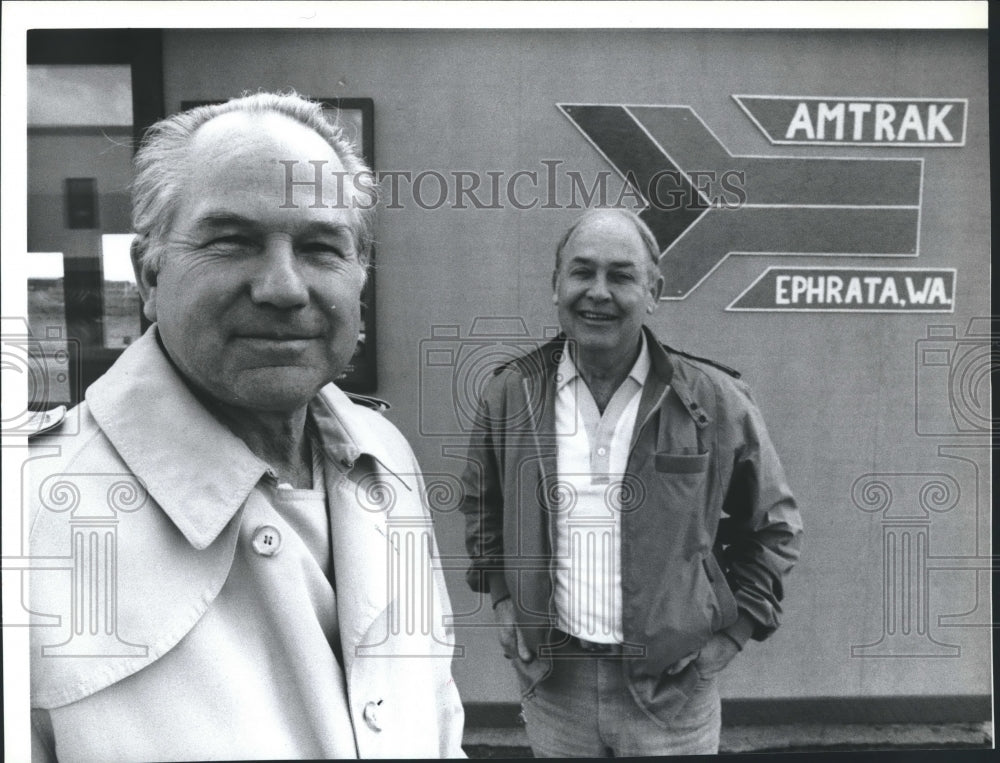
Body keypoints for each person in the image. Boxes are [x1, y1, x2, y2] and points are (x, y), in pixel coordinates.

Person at [28, 92, 465, 760]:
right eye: (232, 241)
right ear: (148, 273)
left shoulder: (385, 456)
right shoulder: (30, 512)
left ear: (360, 277)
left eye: (322, 246)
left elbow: (434, 714)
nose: (284, 287)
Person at [460, 208, 803, 756]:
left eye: (620, 275)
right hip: (556, 687)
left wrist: (730, 639)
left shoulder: (713, 400)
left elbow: (774, 528)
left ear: (653, 290)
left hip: (673, 694)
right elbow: (483, 504)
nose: (597, 292)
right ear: (556, 287)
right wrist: (502, 600)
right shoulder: (511, 393)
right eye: (582, 273)